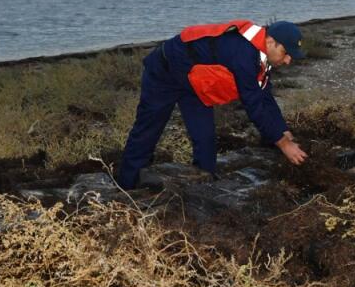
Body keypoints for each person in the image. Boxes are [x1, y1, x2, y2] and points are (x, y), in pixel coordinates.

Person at [117, 20, 308, 189]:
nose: (288, 60)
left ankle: (204, 188)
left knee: (205, 136)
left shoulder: (261, 56)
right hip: (164, 71)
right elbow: (253, 105)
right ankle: (127, 186)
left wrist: (283, 131)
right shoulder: (243, 53)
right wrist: (282, 144)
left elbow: (265, 95)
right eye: (286, 53)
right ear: (271, 42)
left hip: (194, 81)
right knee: (148, 129)